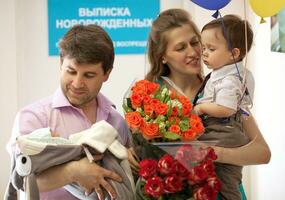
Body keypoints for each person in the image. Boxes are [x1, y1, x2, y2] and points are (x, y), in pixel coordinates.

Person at [145, 8, 271, 200]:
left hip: (224, 191)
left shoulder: (224, 91)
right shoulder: (152, 98)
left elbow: (262, 153)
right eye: (180, 48)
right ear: (162, 56)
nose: (195, 52)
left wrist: (216, 153)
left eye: (196, 43)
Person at [6, 24, 132, 200]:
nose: (77, 83)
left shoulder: (117, 121)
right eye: (71, 71)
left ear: (107, 74)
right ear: (60, 63)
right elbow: (21, 178)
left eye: (88, 75)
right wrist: (72, 172)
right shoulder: (33, 117)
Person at [193, 15, 254, 200]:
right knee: (217, 176)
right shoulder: (222, 74)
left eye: (211, 49)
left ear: (234, 54)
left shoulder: (230, 79)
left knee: (226, 181)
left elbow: (226, 108)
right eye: (203, 48)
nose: (203, 53)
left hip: (226, 130)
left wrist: (202, 108)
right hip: (222, 129)